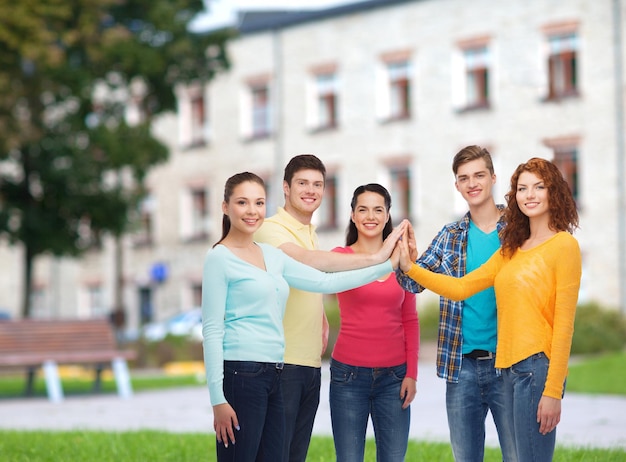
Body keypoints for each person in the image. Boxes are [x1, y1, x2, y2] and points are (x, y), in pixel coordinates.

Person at [202, 171, 404, 462]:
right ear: (226, 207)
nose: (252, 211)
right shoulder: (219, 258)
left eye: (259, 203)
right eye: (242, 203)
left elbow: (326, 282)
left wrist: (387, 263)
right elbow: (211, 330)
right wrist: (217, 399)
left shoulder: (272, 255)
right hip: (240, 373)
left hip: (275, 372)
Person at [398, 158, 581, 462]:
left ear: (554, 193)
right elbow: (461, 287)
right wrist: (409, 267)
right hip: (507, 372)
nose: (530, 194)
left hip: (536, 369)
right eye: (522, 188)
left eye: (539, 187)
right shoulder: (511, 248)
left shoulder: (564, 246)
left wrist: (553, 391)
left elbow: (564, 326)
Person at [396, 145, 517, 461]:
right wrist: (408, 256)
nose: (472, 183)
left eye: (479, 175)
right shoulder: (450, 235)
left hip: (509, 364)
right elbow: (411, 282)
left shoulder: (519, 230)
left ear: (493, 178)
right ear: (457, 186)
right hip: (461, 367)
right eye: (464, 178)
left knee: (519, 455)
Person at [330, 183, 419, 462]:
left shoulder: (401, 260)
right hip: (348, 378)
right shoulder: (340, 258)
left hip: (394, 379)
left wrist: (412, 374)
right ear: (353, 216)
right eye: (363, 209)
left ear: (387, 214)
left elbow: (410, 319)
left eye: (378, 209)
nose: (371, 216)